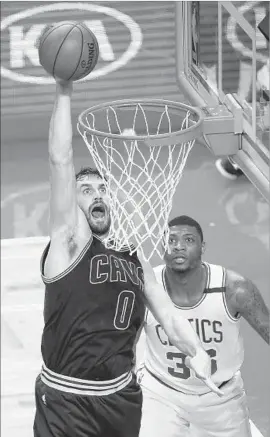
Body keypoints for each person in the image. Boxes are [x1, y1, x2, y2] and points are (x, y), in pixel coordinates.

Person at [33, 81, 222, 437]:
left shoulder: (134, 258)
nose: (98, 194)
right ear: (71, 204)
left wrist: (195, 354)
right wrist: (63, 90)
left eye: (103, 188)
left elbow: (167, 315)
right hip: (68, 400)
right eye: (86, 191)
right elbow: (60, 159)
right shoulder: (68, 245)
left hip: (123, 398)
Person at [137, 215, 269, 437]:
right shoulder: (147, 286)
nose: (178, 246)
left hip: (221, 397)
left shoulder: (234, 290)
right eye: (171, 240)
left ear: (202, 247)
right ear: (162, 245)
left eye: (188, 240)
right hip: (161, 392)